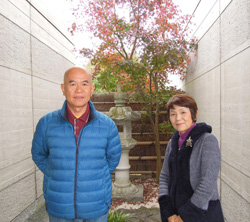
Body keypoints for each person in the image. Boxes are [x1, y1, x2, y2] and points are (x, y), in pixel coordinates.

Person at [31, 67, 121, 222]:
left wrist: (94, 176)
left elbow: (113, 159)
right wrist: (55, 173)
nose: (79, 90)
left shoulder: (107, 125)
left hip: (96, 206)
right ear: (63, 89)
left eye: (84, 84)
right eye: (72, 84)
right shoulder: (46, 123)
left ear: (92, 89)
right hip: (59, 206)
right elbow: (38, 154)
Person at [158, 94, 224, 222]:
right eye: (173, 114)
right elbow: (165, 177)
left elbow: (207, 182)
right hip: (173, 213)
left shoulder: (207, 141)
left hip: (202, 213)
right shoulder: (173, 143)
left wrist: (185, 216)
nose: (178, 118)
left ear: (195, 114)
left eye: (183, 112)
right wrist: (168, 211)